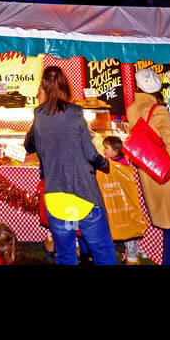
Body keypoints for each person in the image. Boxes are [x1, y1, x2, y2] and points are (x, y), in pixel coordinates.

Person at [26, 66, 115, 265]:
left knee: (65, 255)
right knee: (103, 253)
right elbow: (91, 153)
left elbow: (29, 145)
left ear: (45, 88)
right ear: (66, 87)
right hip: (82, 193)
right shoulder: (75, 112)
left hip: (55, 196)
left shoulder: (38, 114)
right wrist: (105, 164)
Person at [126, 67, 170, 264]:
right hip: (168, 178)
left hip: (150, 175)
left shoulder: (132, 110)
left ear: (139, 86)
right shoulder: (159, 111)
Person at [100, 135, 149, 263]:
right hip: (121, 202)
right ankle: (133, 251)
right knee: (127, 230)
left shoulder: (118, 165)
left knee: (127, 231)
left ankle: (132, 256)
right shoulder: (118, 163)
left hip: (123, 203)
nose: (104, 151)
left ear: (115, 151)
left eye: (106, 148)